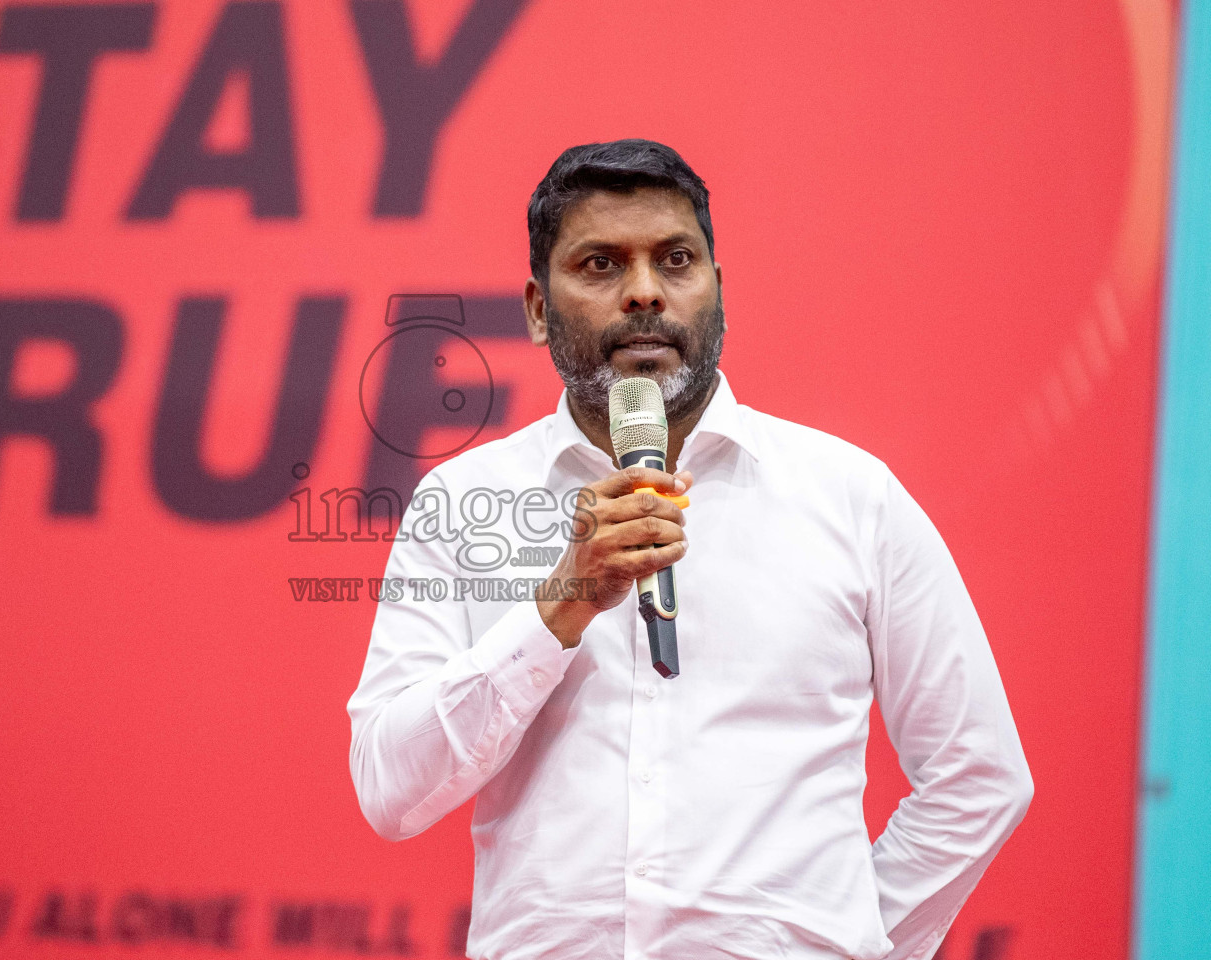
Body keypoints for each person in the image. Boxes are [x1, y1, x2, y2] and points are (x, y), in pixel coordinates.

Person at [346, 139, 1032, 960]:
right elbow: (391, 788)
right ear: (536, 309)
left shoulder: (852, 497)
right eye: (600, 265)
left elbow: (979, 776)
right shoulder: (464, 505)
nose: (643, 293)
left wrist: (851, 942)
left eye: (675, 260)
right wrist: (558, 606)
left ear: (718, 290)